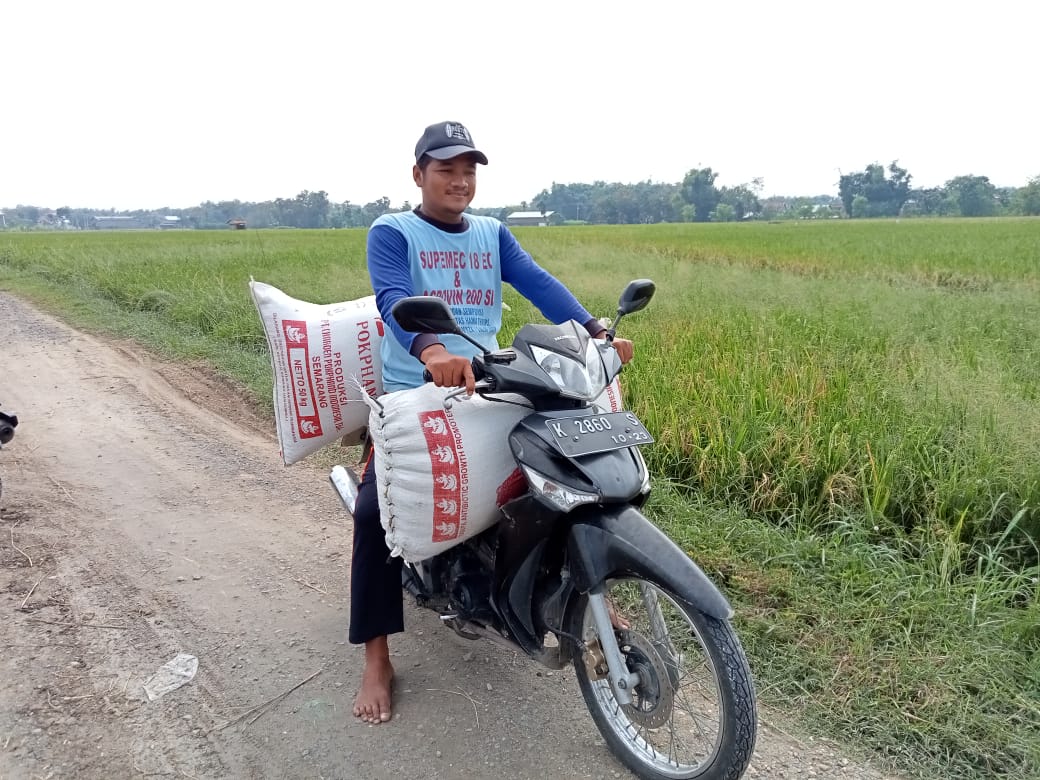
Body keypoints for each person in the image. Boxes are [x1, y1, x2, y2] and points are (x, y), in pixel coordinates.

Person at [350, 120, 634, 724]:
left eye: (468, 170)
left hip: (491, 378)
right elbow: (391, 296)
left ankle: (575, 587)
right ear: (418, 174)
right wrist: (430, 352)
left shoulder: (492, 233)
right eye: (446, 168)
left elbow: (536, 282)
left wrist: (596, 331)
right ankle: (377, 654)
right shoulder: (392, 232)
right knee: (376, 514)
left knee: (560, 469)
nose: (459, 180)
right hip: (415, 393)